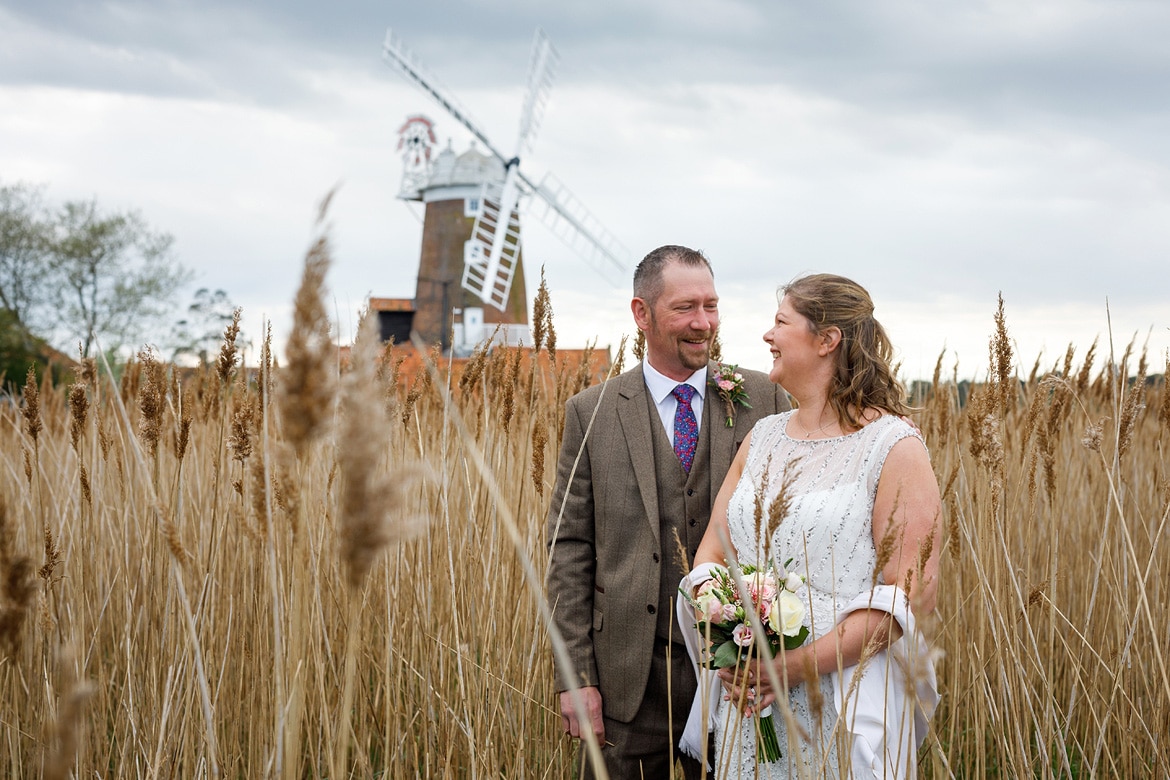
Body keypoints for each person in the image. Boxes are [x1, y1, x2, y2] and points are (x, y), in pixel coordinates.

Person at [680, 273, 941, 779]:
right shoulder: (763, 437)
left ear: (827, 341)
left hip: (842, 699)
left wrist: (793, 668)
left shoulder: (893, 446)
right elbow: (713, 549)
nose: (767, 335)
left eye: (780, 322)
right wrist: (728, 626)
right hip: (751, 696)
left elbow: (910, 596)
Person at [546, 245, 791, 778]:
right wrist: (575, 675)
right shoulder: (591, 412)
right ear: (642, 313)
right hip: (627, 681)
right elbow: (569, 547)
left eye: (711, 305)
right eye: (685, 308)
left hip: (738, 678)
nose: (703, 323)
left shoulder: (765, 398)